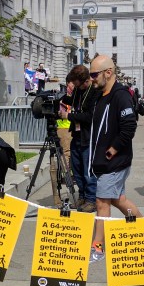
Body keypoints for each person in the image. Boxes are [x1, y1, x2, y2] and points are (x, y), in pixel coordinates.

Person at [88, 54, 142, 262]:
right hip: (104, 161)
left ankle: (98, 248)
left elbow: (129, 126)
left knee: (102, 202)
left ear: (108, 72)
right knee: (118, 200)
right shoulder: (100, 95)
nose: (92, 78)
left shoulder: (120, 95)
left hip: (114, 161)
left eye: (94, 74)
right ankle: (143, 227)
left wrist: (112, 149)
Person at [60, 65, 100, 213]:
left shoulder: (95, 92)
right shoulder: (77, 90)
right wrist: (61, 98)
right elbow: (73, 103)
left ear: (83, 81)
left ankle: (91, 199)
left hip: (88, 136)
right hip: (76, 134)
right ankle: (82, 196)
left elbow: (90, 116)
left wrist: (68, 116)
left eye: (75, 83)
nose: (73, 86)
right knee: (76, 168)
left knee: (87, 171)